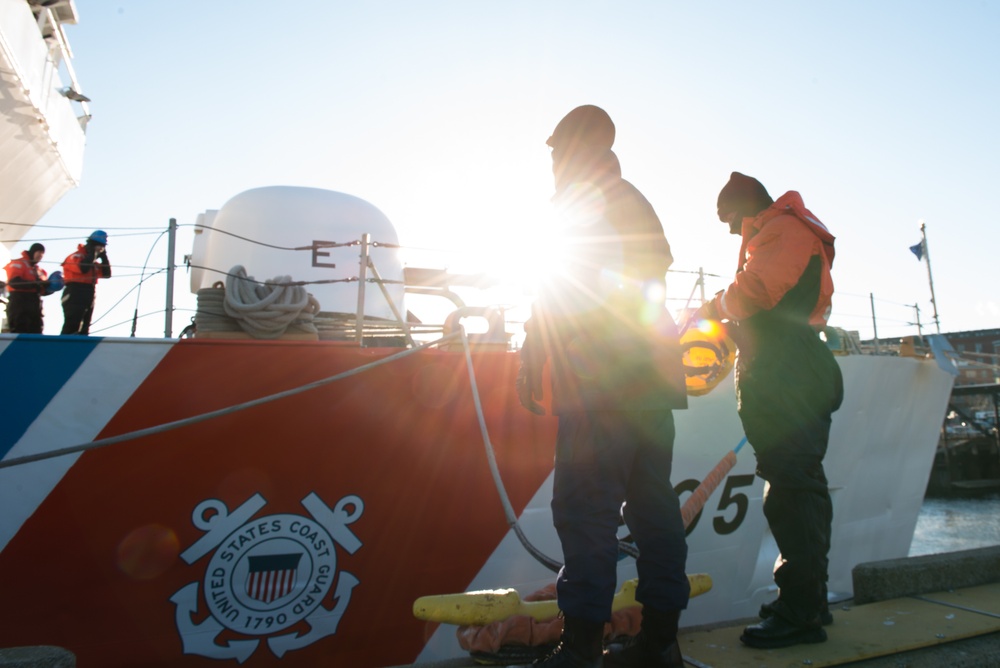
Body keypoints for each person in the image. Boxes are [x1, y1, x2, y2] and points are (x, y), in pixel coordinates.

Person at [516, 105, 689, 668]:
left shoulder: (580, 201)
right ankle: (660, 641)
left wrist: (532, 354)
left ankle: (582, 648)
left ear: (574, 147)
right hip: (650, 386)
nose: (550, 160)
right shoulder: (632, 199)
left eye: (555, 149)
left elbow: (559, 289)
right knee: (652, 510)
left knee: (584, 508)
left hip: (602, 386)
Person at [692, 172, 844, 649]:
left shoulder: (782, 231)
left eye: (730, 219)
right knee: (804, 489)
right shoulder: (786, 232)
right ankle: (810, 601)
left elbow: (755, 291)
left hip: (788, 378)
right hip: (794, 372)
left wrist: (714, 306)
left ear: (747, 206)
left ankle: (799, 615)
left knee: (791, 493)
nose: (730, 231)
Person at [61, 230, 111, 335]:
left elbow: (107, 274)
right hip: (74, 292)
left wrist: (104, 257)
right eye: (99, 246)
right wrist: (92, 253)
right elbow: (83, 268)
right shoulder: (76, 257)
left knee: (85, 327)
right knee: (72, 325)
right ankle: (64, 348)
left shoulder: (93, 263)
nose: (101, 250)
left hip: (89, 293)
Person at [4, 243, 49, 333]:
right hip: (19, 302)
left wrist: (50, 287)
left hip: (35, 304)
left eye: (42, 254)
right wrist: (34, 284)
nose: (40, 255)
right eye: (39, 252)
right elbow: (14, 282)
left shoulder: (40, 271)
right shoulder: (18, 263)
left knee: (37, 330)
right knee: (19, 328)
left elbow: (43, 291)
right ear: (32, 252)